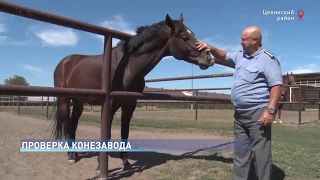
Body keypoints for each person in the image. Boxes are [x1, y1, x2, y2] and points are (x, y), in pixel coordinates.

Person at [196, 26, 283, 180]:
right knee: (240, 153)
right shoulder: (240, 56)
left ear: (254, 40)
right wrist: (210, 47)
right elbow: (223, 56)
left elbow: (276, 85)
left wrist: (270, 111)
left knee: (261, 154)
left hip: (258, 113)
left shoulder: (268, 59)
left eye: (243, 39)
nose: (240, 42)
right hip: (239, 115)